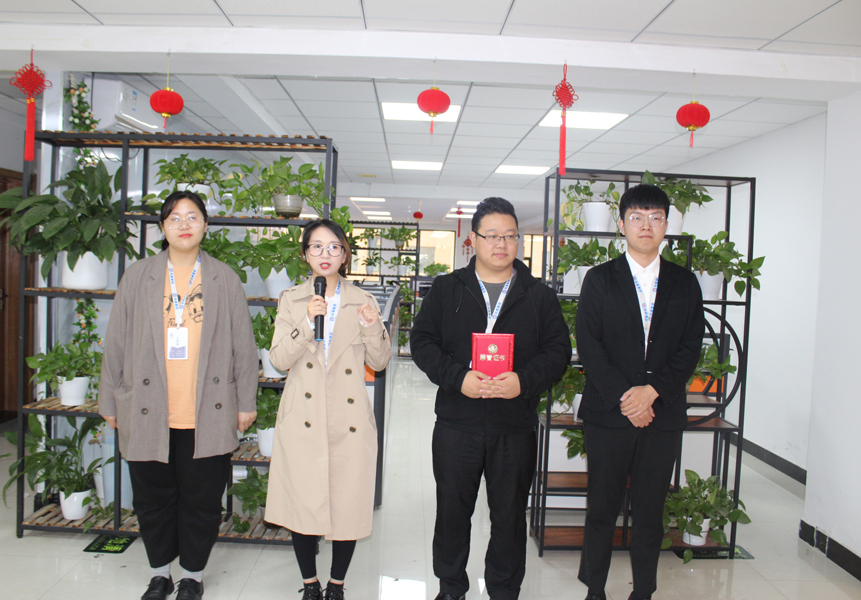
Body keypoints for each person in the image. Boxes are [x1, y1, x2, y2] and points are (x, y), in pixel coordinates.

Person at [98, 190, 258, 600]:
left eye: (192, 217)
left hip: (208, 411)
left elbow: (244, 345)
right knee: (152, 500)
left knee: (201, 501)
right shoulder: (138, 276)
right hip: (147, 410)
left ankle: (192, 576)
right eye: (174, 218)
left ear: (205, 225)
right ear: (162, 227)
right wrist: (109, 401)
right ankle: (160, 574)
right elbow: (115, 342)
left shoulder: (224, 278)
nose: (184, 225)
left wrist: (246, 402)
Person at [410, 197, 571, 600]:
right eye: (492, 236)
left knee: (510, 516)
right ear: (473, 239)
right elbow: (422, 342)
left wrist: (524, 381)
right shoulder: (447, 289)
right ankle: (451, 587)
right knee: (452, 511)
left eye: (510, 236)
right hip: (457, 422)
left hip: (513, 425)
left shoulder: (538, 295)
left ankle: (504, 589)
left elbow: (558, 351)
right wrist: (458, 377)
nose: (502, 244)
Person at [576, 184, 704, 600]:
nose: (645, 225)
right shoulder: (600, 279)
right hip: (608, 414)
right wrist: (627, 397)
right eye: (636, 217)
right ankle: (595, 589)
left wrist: (652, 392)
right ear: (622, 224)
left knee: (650, 513)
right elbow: (589, 345)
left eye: (655, 218)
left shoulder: (685, 283)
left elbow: (690, 347)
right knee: (601, 509)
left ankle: (643, 591)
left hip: (661, 415)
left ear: (666, 225)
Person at [264, 219, 391, 600]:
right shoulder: (292, 300)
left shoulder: (363, 301)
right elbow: (279, 360)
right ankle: (310, 584)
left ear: (345, 254)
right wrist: (306, 321)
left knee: (348, 504)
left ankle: (336, 584)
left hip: (347, 419)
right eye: (316, 247)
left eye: (334, 247)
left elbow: (380, 361)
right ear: (305, 254)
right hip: (302, 419)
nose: (325, 254)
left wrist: (371, 328)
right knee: (302, 504)